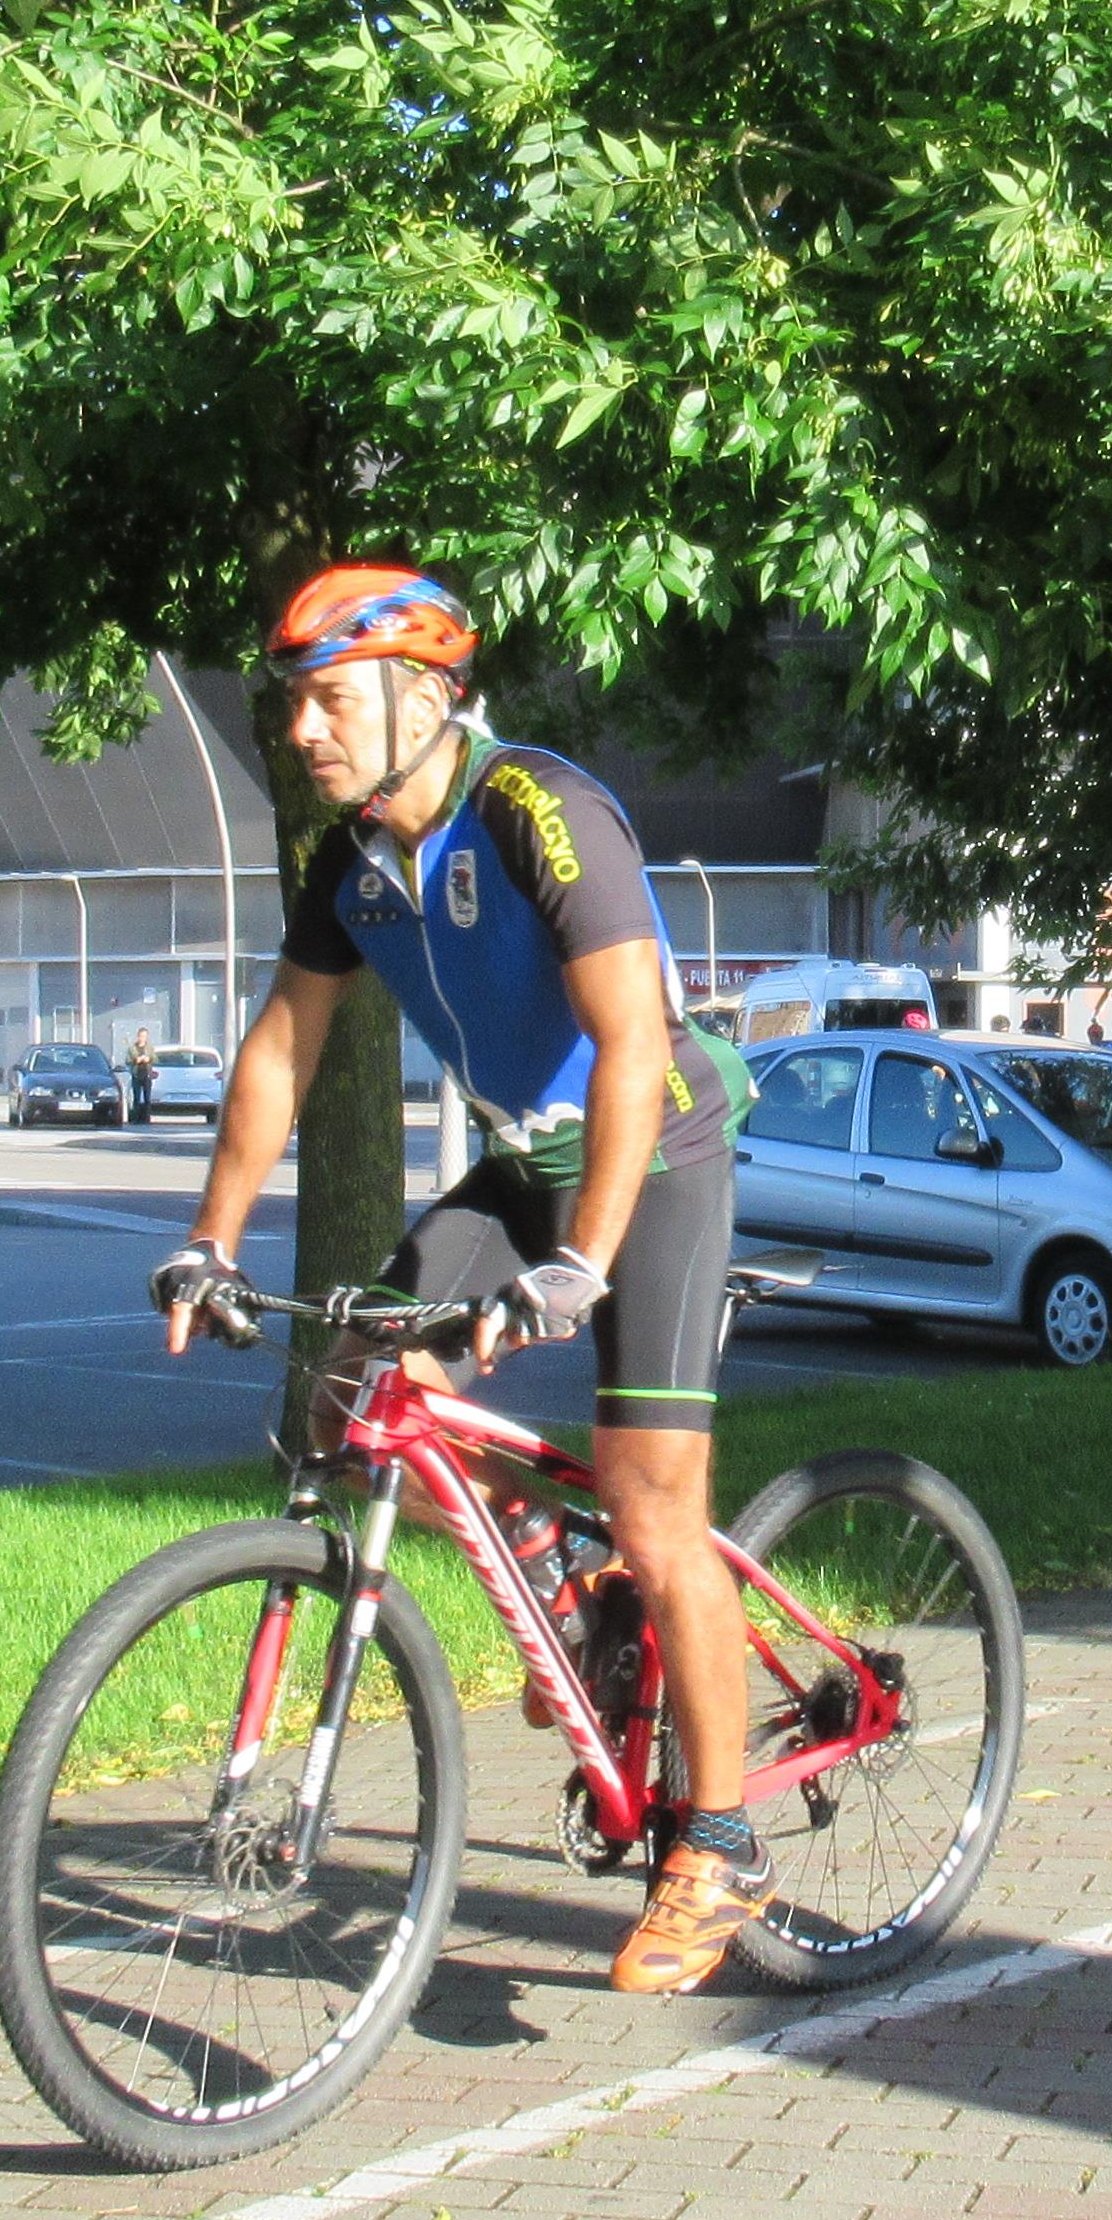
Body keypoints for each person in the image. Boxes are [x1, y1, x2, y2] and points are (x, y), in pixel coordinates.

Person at [154, 566, 768, 1996]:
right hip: (525, 1164)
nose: (302, 730)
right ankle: (561, 1576)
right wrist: (211, 1241)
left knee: (652, 1502)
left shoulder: (537, 810)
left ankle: (723, 1840)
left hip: (657, 1156)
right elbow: (284, 1047)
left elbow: (631, 1046)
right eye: (292, 704)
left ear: (424, 695)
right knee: (354, 1387)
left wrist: (580, 1264)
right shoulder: (356, 862)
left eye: (328, 699)